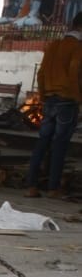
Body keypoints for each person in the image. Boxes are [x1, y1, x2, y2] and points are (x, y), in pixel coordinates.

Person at [27, 12, 82, 198]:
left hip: (49, 99)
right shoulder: (77, 48)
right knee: (60, 145)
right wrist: (77, 99)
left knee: (42, 143)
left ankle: (31, 186)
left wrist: (44, 96)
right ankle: (53, 188)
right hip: (67, 101)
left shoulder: (53, 46)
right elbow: (76, 74)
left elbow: (41, 74)